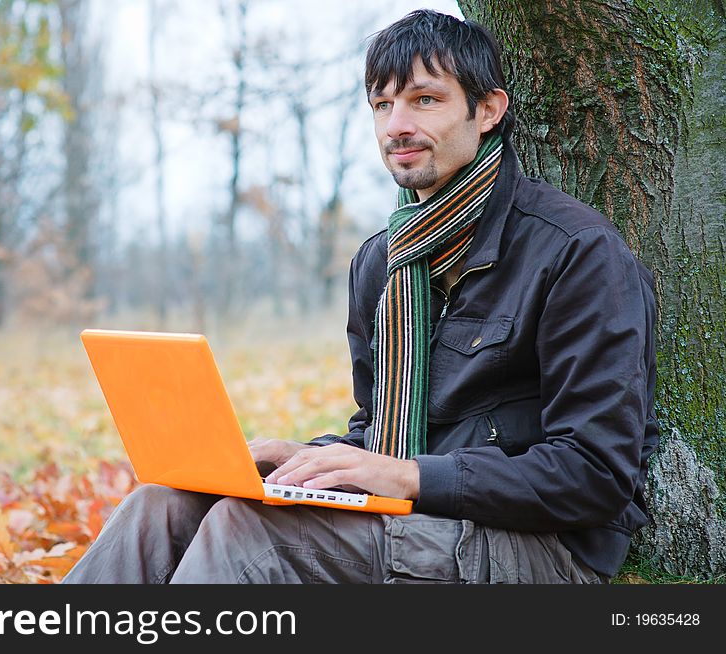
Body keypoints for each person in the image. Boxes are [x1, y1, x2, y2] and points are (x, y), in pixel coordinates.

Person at [62, 9, 658, 584]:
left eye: (425, 99)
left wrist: (408, 476)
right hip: (419, 517)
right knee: (163, 504)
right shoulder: (384, 261)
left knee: (251, 530)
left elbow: (594, 473)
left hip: (540, 551)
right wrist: (300, 458)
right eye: (382, 104)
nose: (397, 124)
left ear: (488, 111)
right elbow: (381, 429)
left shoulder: (577, 252)